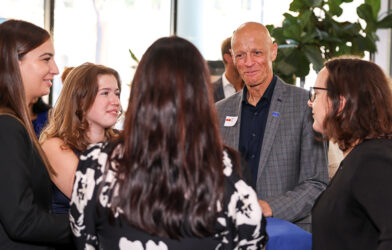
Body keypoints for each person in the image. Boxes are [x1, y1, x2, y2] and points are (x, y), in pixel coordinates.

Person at [69, 36, 267, 249]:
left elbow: (83, 240)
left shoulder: (96, 164)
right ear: (201, 96)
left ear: (139, 92)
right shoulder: (228, 167)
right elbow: (252, 241)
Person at [215, 22, 329, 231]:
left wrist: (268, 207)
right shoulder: (219, 112)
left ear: (273, 51)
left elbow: (316, 183)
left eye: (257, 52)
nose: (249, 62)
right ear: (231, 58)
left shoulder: (305, 106)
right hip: (230, 234)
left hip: (286, 234)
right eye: (240, 55)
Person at [309, 57, 392, 249]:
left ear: (340, 102)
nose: (311, 103)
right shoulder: (361, 156)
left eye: (316, 94)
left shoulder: (372, 161)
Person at [0, 19, 70, 249]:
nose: (56, 69)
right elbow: (22, 221)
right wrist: (90, 226)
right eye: (46, 59)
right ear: (14, 62)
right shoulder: (7, 127)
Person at [39, 62, 121, 214]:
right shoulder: (55, 146)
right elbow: (93, 200)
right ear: (80, 99)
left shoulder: (121, 141)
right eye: (105, 93)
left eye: (116, 93)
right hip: (69, 236)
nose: (115, 101)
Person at [212, 36, 243, 102]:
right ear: (227, 58)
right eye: (240, 55)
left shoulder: (253, 86)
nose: (245, 60)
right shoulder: (209, 91)